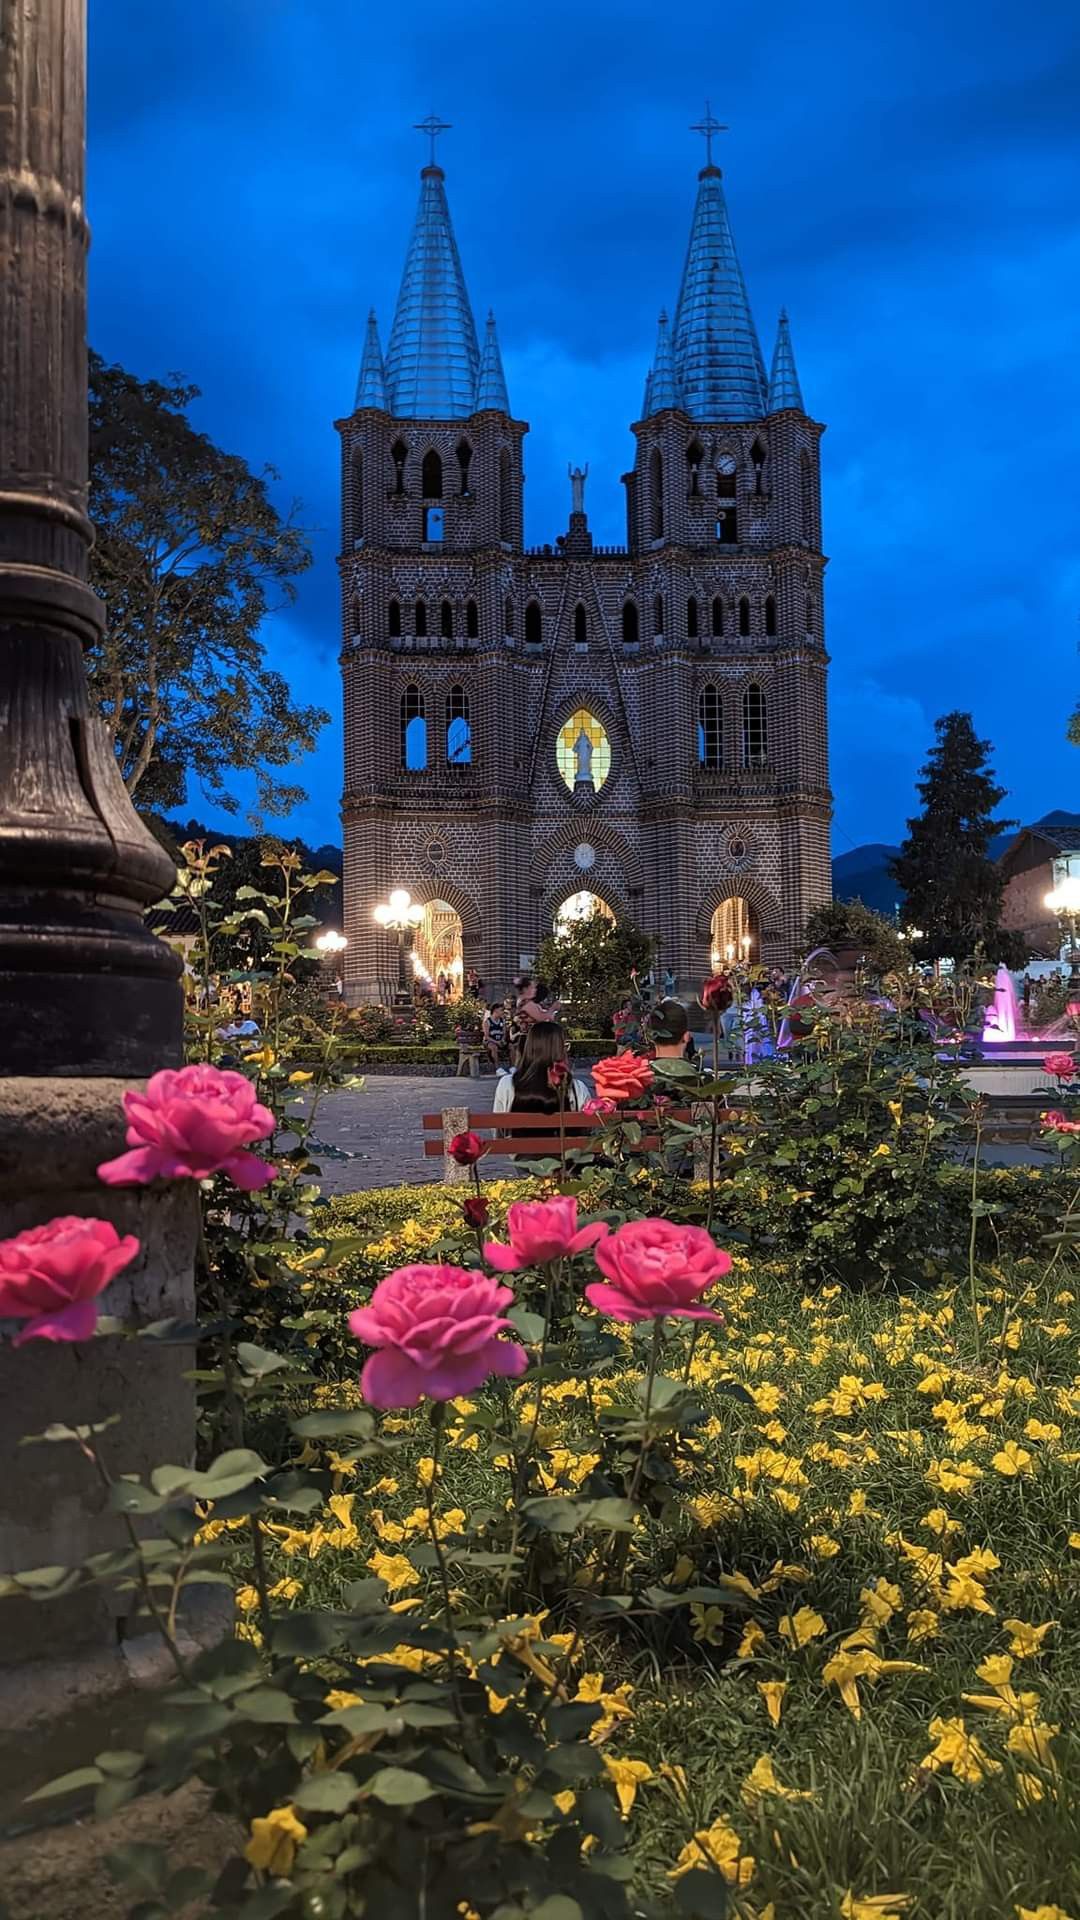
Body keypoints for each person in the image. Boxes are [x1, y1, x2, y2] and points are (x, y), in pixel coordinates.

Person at [494, 1021, 591, 1115]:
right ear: (559, 1050)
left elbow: (497, 1123)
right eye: (565, 1046)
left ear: (529, 1049)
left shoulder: (507, 1085)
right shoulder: (576, 1089)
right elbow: (589, 1123)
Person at [482, 1000, 508, 1071]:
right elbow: (486, 1037)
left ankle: (513, 1067)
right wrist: (497, 1042)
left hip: (500, 1041)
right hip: (489, 1041)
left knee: (512, 1046)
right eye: (501, 1010)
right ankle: (498, 1068)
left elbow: (504, 1033)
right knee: (494, 1047)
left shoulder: (502, 1021)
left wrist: (503, 1040)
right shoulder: (487, 1022)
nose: (503, 1012)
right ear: (495, 1010)